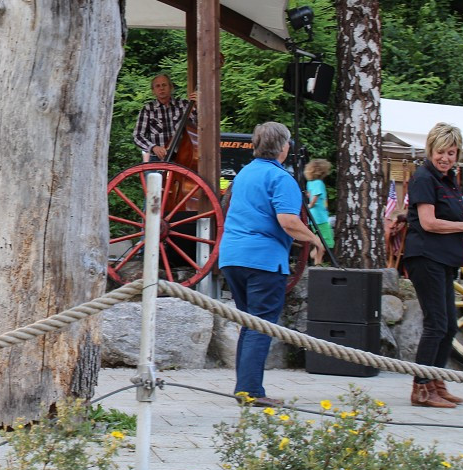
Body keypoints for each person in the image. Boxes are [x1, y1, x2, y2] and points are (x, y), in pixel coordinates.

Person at [218, 121, 325, 406]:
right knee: (261, 325)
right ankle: (251, 391)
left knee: (248, 322)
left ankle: (244, 387)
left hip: (232, 258)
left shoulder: (243, 175)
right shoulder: (282, 179)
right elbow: (288, 221)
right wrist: (316, 240)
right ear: (284, 147)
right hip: (263, 260)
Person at [405, 123, 463, 408]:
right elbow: (428, 222)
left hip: (444, 258)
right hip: (426, 257)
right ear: (431, 149)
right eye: (441, 152)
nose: (446, 157)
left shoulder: (448, 179)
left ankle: (436, 382)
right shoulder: (424, 178)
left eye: (452, 153)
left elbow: (448, 220)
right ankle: (420, 388)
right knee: (436, 324)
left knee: (450, 326)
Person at [133, 73, 192, 163]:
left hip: (181, 157)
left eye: (164, 85)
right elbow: (137, 136)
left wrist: (198, 106)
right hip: (156, 159)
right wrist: (153, 147)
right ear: (153, 91)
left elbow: (198, 124)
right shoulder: (148, 109)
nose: (161, 88)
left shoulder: (183, 105)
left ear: (171, 87)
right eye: (158, 86)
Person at [305, 158, 335, 249]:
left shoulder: (310, 183)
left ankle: (316, 259)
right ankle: (317, 259)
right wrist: (310, 205)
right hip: (320, 217)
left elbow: (309, 194)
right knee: (326, 242)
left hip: (313, 216)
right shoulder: (319, 183)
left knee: (318, 238)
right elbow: (315, 196)